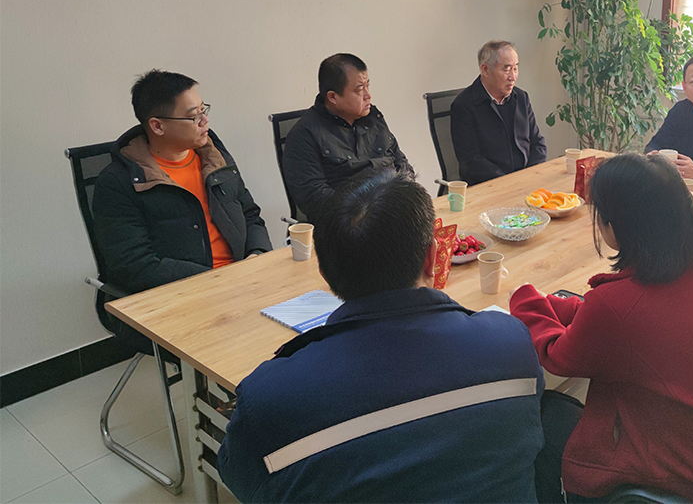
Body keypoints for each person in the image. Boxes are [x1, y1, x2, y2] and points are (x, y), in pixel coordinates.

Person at [218, 169, 544, 503]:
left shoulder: (269, 398)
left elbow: (240, 479)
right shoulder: (510, 344)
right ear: (433, 257)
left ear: (324, 273)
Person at [510, 153, 693, 503]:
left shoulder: (616, 305)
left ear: (617, 226)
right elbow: (624, 319)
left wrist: (524, 300)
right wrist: (555, 305)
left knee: (536, 417)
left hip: (691, 482)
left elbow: (558, 355)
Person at [93, 70, 271, 294]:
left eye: (204, 110)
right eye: (194, 116)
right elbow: (134, 265)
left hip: (242, 281)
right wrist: (217, 280)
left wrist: (257, 254)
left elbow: (250, 214)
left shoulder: (215, 158)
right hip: (184, 293)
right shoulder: (118, 182)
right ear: (158, 126)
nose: (205, 120)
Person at [283, 53, 412, 221]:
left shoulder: (373, 118)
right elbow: (316, 201)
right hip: (350, 226)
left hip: (393, 215)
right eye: (359, 89)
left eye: (368, 86)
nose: (368, 95)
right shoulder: (304, 134)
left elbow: (402, 164)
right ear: (333, 97)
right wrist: (372, 212)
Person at [451, 40, 547, 185]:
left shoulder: (521, 98)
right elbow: (470, 161)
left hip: (526, 182)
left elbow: (537, 143)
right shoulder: (464, 106)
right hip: (488, 186)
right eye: (507, 69)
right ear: (485, 70)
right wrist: (509, 182)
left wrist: (529, 176)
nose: (513, 77)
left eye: (515, 68)